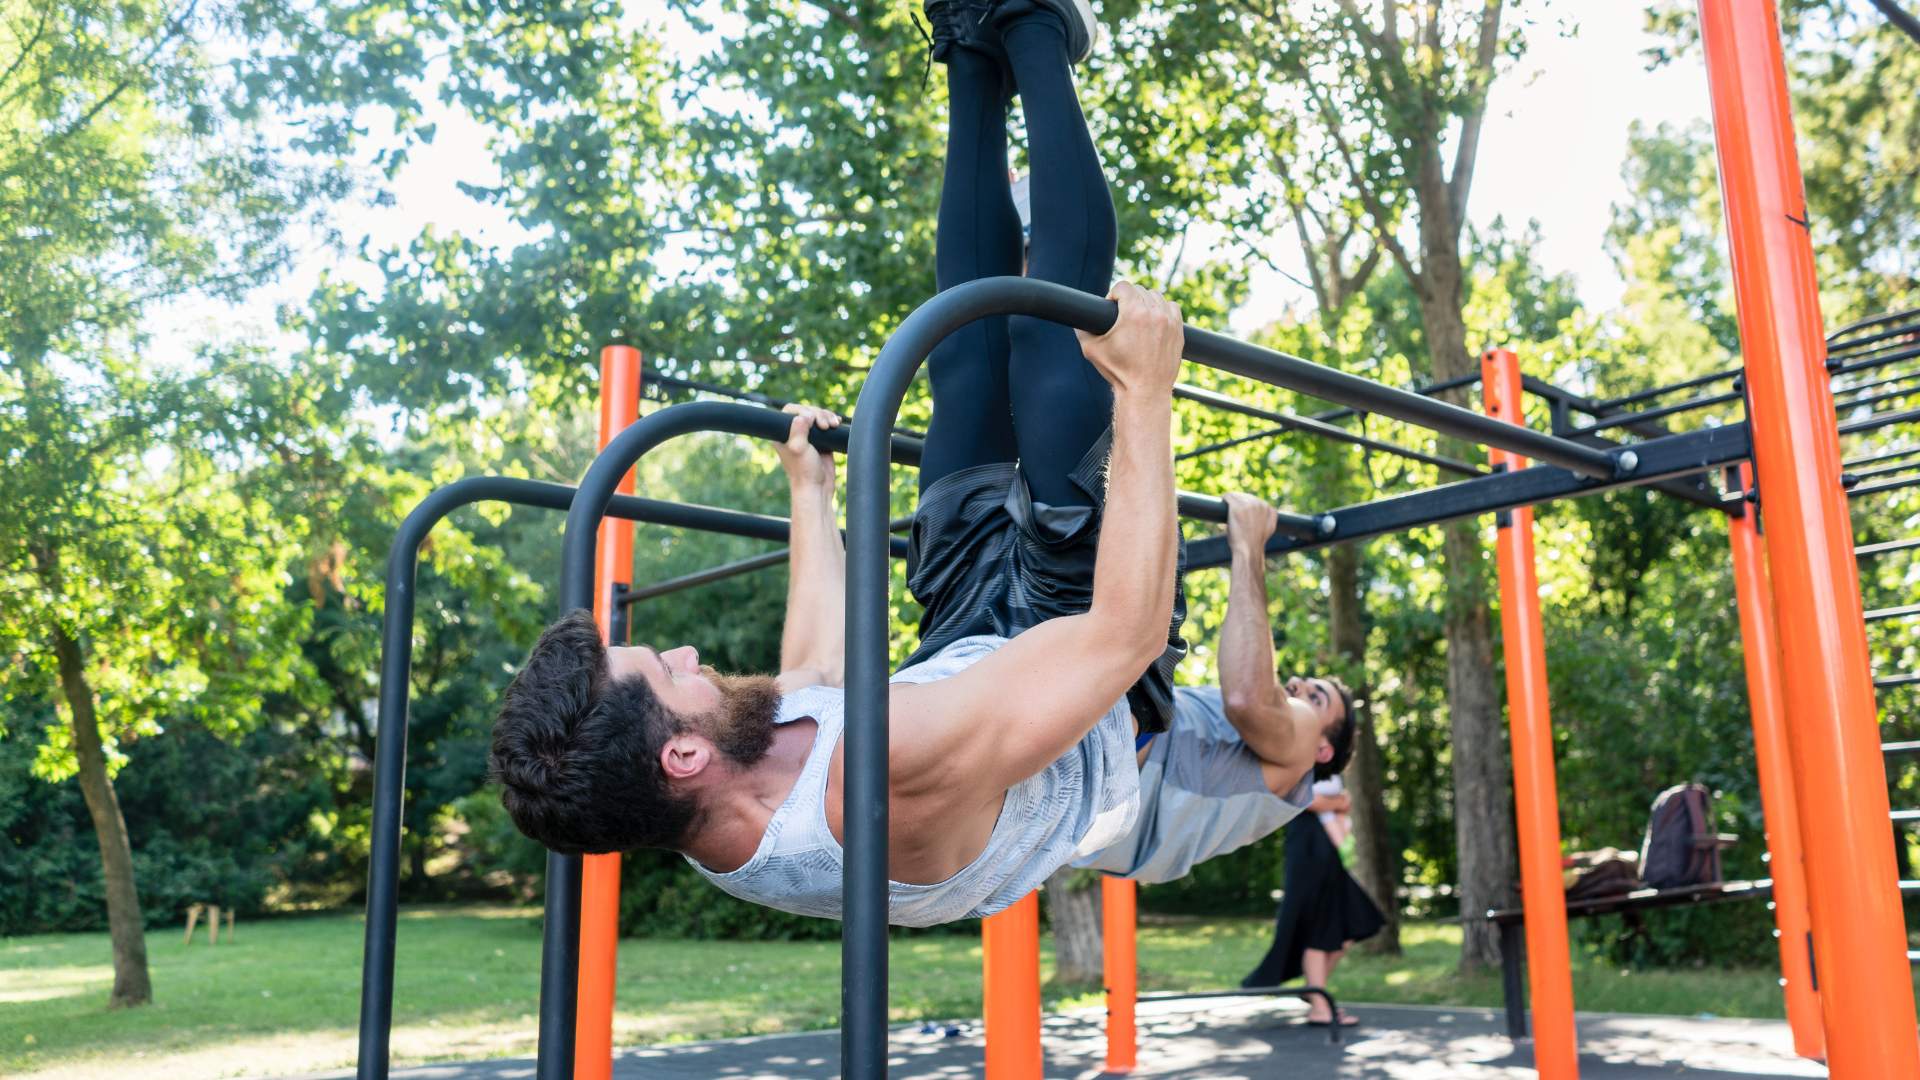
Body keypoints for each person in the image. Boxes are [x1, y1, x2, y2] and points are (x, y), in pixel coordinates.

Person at [490, 0, 1189, 928]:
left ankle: (972, 51)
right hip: (1088, 686)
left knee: (965, 357)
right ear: (683, 755)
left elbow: (818, 672)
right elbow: (1124, 633)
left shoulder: (696, 814)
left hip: (962, 655)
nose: (690, 651)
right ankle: (1037, 28)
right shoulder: (885, 777)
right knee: (1059, 343)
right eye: (669, 668)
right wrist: (1147, 394)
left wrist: (811, 496)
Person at [1073, 491, 1357, 883]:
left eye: (1316, 696)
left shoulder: (1298, 752)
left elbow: (1247, 697)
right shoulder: (1235, 732)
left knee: (1134, 522)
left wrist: (1248, 546)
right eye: (1305, 683)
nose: (1298, 685)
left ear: (1322, 750)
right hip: (1086, 792)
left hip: (1112, 760)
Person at [1240, 763, 1385, 1027]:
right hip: (1308, 848)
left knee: (1354, 921)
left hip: (1329, 851)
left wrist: (1334, 802)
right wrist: (1334, 802)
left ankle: (1313, 989)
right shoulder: (1298, 759)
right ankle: (1319, 1005)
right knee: (1320, 924)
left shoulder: (1330, 765)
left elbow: (1343, 802)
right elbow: (1308, 801)